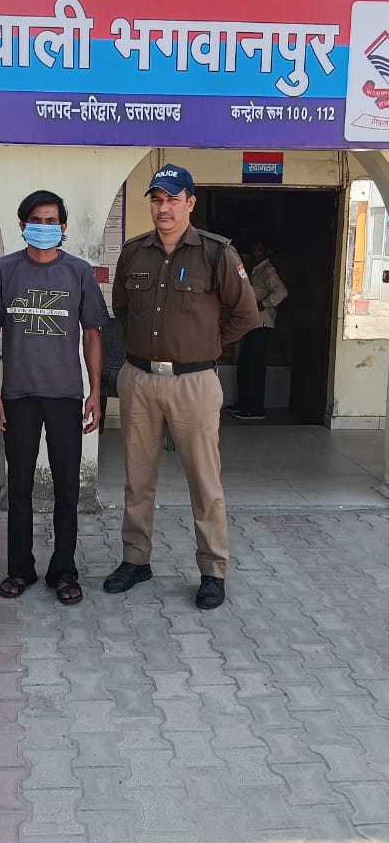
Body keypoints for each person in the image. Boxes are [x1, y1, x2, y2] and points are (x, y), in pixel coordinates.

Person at [103, 164, 259, 610]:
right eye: (157, 199)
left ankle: (212, 570)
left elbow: (246, 315)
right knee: (137, 478)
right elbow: (122, 310)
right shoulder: (134, 252)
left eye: (173, 199)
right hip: (139, 380)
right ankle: (136, 559)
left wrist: (206, 346)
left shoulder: (217, 253)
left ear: (190, 202)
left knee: (204, 482)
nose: (164, 208)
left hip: (194, 382)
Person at [0, 190, 109, 604]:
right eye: (36, 220)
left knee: (67, 488)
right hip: (18, 395)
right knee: (19, 488)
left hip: (65, 395)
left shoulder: (79, 273)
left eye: (52, 220)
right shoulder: (2, 271)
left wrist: (95, 392)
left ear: (64, 227)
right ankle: (19, 568)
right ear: (22, 226)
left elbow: (92, 335)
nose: (44, 227)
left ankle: (63, 569)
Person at [228, 240, 288, 421]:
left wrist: (264, 304)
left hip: (261, 324)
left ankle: (255, 409)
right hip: (251, 324)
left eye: (259, 250)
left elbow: (282, 292)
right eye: (253, 249)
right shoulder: (255, 270)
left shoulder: (267, 270)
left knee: (254, 367)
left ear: (266, 251)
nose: (256, 253)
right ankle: (244, 404)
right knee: (245, 364)